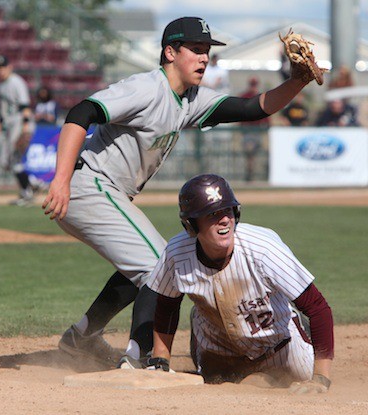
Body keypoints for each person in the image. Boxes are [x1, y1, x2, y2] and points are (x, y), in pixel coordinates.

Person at [42, 16, 320, 369]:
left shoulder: (189, 99)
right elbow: (82, 111)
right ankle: (139, 357)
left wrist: (296, 82)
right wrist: (61, 179)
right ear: (170, 52)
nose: (204, 58)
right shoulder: (146, 88)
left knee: (142, 263)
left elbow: (251, 108)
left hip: (105, 192)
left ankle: (80, 338)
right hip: (89, 186)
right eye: (196, 50)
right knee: (160, 265)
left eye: (207, 51)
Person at [147, 173, 334, 393]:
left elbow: (317, 307)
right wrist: (161, 359)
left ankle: (296, 327)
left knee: (288, 377)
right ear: (191, 225)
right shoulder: (177, 252)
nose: (224, 219)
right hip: (218, 353)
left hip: (279, 351)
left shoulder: (262, 248)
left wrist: (321, 377)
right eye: (212, 214)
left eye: (227, 210)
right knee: (213, 378)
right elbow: (167, 304)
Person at [0, 55, 35, 206]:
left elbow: (25, 106)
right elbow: (3, 110)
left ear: (9, 67)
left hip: (19, 122)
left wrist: (25, 127)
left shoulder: (17, 82)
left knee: (12, 159)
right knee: (7, 161)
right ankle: (31, 185)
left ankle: (28, 191)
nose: (1, 70)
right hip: (10, 124)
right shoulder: (1, 85)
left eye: (3, 67)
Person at [239, 77, 270, 181]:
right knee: (250, 154)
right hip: (248, 131)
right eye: (252, 84)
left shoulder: (260, 97)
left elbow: (266, 113)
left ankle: (265, 174)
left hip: (259, 130)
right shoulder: (245, 96)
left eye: (255, 84)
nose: (253, 87)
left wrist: (267, 125)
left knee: (264, 153)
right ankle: (250, 175)